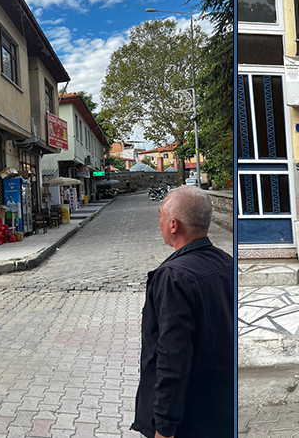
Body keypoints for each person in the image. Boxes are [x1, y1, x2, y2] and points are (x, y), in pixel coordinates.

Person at [132, 186, 234, 438]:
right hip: (221, 406)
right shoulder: (226, 262)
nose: (160, 222)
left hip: (189, 417)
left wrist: (164, 426)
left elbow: (172, 358)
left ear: (173, 225)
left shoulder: (173, 278)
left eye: (160, 216)